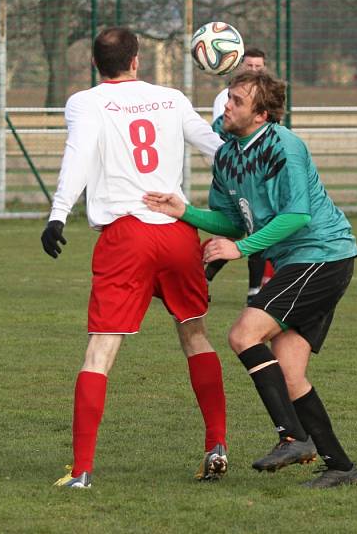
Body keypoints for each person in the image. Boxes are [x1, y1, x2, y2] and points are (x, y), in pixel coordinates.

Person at [143, 69, 357, 489]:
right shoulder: (228, 155)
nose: (226, 106)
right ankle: (340, 466)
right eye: (228, 98)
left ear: (261, 114)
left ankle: (294, 436)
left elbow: (297, 216)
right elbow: (229, 219)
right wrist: (183, 211)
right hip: (298, 261)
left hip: (322, 255)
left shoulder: (285, 147)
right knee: (291, 372)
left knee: (244, 334)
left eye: (237, 101)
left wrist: (239, 249)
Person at [41, 26, 227, 488]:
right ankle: (216, 443)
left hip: (127, 237)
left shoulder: (86, 102)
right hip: (179, 232)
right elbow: (216, 149)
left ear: (94, 65)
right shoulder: (172, 98)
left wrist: (58, 214)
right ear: (137, 59)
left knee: (100, 351)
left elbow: (78, 155)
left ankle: (82, 470)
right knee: (196, 335)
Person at [207, 47, 273, 304]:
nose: (254, 70)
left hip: (257, 173)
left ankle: (255, 291)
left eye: (259, 66)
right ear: (239, 66)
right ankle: (201, 276)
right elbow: (219, 134)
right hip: (235, 174)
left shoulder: (268, 98)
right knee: (240, 231)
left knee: (255, 230)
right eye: (250, 66)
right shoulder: (226, 97)